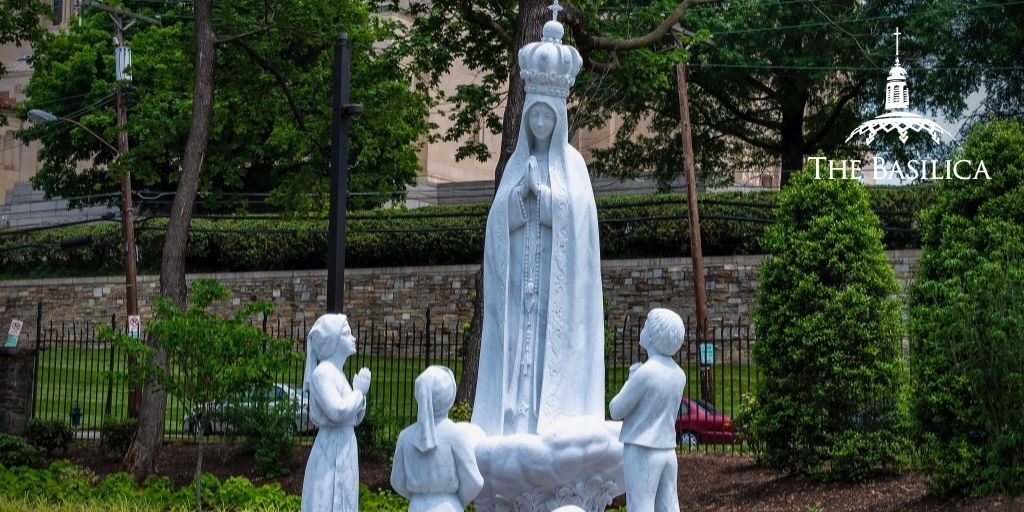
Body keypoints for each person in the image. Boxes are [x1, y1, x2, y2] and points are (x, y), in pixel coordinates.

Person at [472, 16, 603, 436]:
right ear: (527, 116)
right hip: (519, 286)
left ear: (558, 118)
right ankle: (515, 419)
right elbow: (496, 226)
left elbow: (580, 224)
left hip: (553, 285)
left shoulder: (574, 166)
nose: (540, 124)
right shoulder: (516, 164)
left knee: (546, 348)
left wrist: (543, 197)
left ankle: (552, 415)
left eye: (548, 117)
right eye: (535, 117)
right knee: (519, 351)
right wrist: (516, 197)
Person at [609, 309, 687, 512]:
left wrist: (631, 378)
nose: (642, 330)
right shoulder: (679, 375)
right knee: (669, 506)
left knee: (640, 506)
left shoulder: (645, 372)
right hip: (668, 450)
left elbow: (615, 410)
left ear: (652, 335)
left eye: (645, 326)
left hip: (642, 448)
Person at [300, 314, 371, 512]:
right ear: (332, 341)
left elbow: (354, 418)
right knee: (328, 499)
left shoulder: (337, 374)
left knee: (345, 498)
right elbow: (338, 411)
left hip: (345, 444)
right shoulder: (323, 373)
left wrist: (358, 395)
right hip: (331, 447)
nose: (353, 338)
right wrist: (359, 392)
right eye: (347, 334)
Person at [391, 366, 485, 512]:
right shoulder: (456, 434)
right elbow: (474, 481)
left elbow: (397, 481)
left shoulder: (405, 436)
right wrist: (454, 500)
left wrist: (420, 498)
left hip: (417, 507)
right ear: (450, 396)